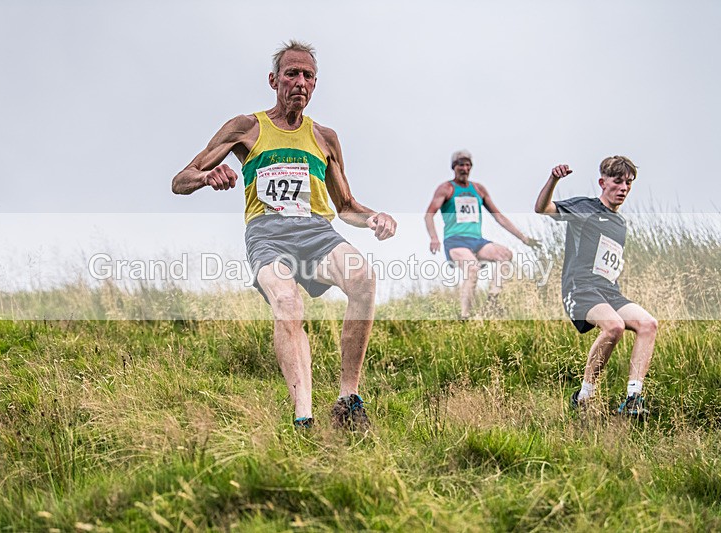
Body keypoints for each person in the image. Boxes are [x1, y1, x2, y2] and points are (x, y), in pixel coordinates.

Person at [171, 40, 396, 430]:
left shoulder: (325, 137)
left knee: (363, 277)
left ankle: (348, 401)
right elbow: (180, 180)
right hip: (268, 235)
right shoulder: (247, 127)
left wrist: (375, 217)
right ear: (274, 80)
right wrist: (208, 177)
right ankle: (303, 418)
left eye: (308, 75)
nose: (300, 82)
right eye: (292, 73)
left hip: (315, 232)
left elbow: (345, 207)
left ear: (315, 84)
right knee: (288, 304)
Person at [534, 156, 658, 416]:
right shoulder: (585, 208)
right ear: (602, 183)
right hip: (580, 289)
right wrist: (553, 179)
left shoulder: (620, 223)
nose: (623, 188)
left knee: (648, 324)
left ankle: (633, 398)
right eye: (617, 181)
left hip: (609, 292)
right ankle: (584, 396)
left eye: (628, 183)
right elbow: (542, 208)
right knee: (614, 326)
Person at [424, 150, 539, 318]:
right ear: (454, 167)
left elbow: (499, 217)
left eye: (468, 165)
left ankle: (492, 302)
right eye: (461, 165)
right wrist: (434, 237)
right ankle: (464, 316)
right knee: (472, 268)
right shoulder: (446, 188)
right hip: (455, 241)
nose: (464, 168)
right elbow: (429, 215)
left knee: (505, 255)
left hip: (477, 240)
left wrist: (524, 239)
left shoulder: (478, 189)